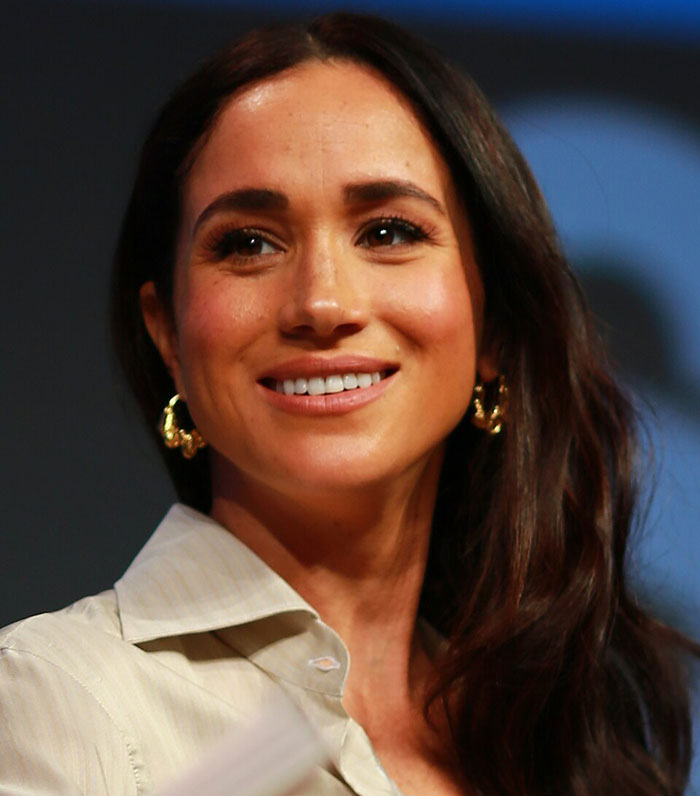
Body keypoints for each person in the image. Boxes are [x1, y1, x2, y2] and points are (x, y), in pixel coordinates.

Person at [1, 12, 697, 796]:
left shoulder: (561, 756)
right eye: (249, 243)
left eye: (389, 232)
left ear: (494, 324)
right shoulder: (62, 700)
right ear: (168, 336)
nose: (323, 302)